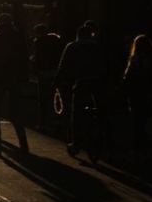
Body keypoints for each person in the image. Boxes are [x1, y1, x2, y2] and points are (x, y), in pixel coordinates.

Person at [0, 12, 30, 156]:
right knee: (17, 112)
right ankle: (23, 143)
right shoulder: (19, 38)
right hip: (15, 80)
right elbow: (24, 59)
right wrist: (24, 78)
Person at [55, 24, 102, 157]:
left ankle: (76, 143)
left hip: (82, 81)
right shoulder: (97, 46)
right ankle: (106, 141)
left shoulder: (72, 46)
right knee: (101, 112)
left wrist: (57, 81)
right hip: (98, 81)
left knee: (77, 112)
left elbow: (63, 65)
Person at [121, 34, 152, 161]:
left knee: (137, 122)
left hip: (136, 93)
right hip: (150, 92)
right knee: (145, 121)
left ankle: (138, 149)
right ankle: (147, 149)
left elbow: (128, 76)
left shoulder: (136, 58)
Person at [30, 23, 65, 133]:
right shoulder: (57, 41)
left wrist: (35, 69)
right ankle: (57, 121)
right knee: (56, 97)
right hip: (55, 72)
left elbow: (37, 59)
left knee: (43, 98)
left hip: (43, 73)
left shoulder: (39, 42)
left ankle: (43, 123)